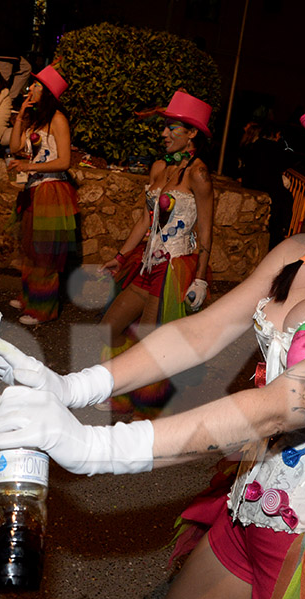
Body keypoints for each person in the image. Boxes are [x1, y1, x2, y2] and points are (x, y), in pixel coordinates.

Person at [0, 64, 305, 599]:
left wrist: (94, 446)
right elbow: (201, 333)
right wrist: (73, 386)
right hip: (246, 509)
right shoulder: (301, 250)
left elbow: (279, 406)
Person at [94, 90, 214, 416]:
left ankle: (142, 416)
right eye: (163, 127)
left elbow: (205, 231)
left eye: (172, 127)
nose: (163, 133)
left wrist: (200, 279)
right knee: (109, 328)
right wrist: (120, 256)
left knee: (150, 344)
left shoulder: (199, 174)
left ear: (192, 134)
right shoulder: (159, 167)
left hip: (173, 269)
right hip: (145, 265)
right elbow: (146, 220)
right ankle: (119, 393)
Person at [6, 64, 77, 326]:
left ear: (47, 92)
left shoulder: (58, 118)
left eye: (36, 85)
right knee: (30, 248)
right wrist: (20, 117)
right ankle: (29, 297)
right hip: (33, 188)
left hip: (51, 189)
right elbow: (15, 147)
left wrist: (29, 166)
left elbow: (65, 161)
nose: (31, 89)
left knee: (45, 252)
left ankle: (43, 308)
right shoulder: (35, 118)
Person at [238, 120, 298, 249]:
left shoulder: (253, 146)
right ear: (276, 135)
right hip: (270, 190)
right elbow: (290, 159)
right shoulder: (276, 149)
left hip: (250, 185)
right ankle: (283, 233)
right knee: (286, 199)